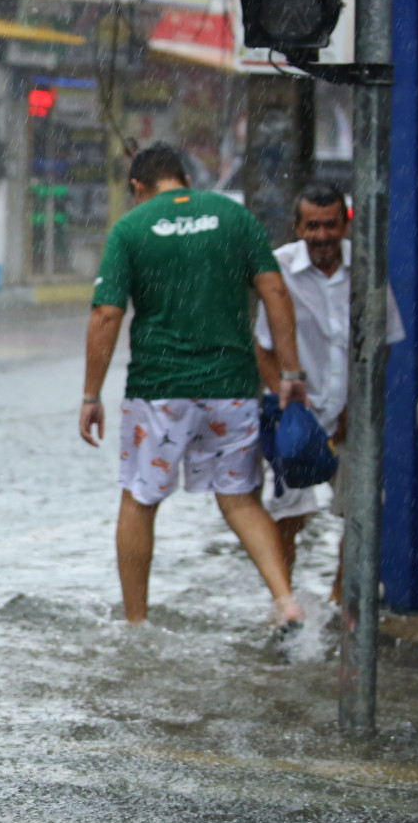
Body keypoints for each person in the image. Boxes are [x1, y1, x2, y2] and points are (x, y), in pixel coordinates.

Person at [79, 145, 310, 628]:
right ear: (184, 178)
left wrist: (91, 395)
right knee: (241, 501)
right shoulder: (233, 216)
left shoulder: (131, 228)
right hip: (231, 388)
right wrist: (289, 375)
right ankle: (286, 602)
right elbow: (274, 291)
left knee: (140, 500)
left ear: (138, 188)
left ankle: (136, 624)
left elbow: (106, 315)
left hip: (158, 390)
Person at [253, 183, 406, 601]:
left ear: (345, 224)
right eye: (313, 226)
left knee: (362, 509)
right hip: (298, 414)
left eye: (331, 225)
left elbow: (384, 342)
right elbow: (263, 348)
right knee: (288, 514)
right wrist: (286, 409)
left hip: (352, 414)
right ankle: (284, 605)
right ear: (298, 227)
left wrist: (360, 405)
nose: (322, 235)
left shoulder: (367, 267)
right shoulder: (279, 268)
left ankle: (342, 601)